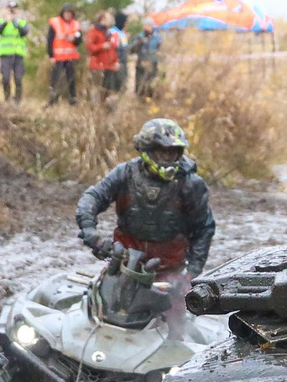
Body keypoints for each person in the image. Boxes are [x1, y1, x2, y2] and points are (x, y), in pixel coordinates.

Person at [75, 118, 215, 276]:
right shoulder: (125, 174)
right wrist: (91, 233)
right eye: (163, 152)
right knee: (100, 299)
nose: (169, 158)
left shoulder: (191, 184)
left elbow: (204, 228)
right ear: (148, 150)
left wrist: (193, 273)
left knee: (182, 301)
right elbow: (93, 197)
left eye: (173, 153)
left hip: (170, 273)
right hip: (123, 266)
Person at [0, 2, 31, 102]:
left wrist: (15, 23)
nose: (12, 11)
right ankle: (7, 98)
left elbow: (24, 32)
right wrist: (6, 22)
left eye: (14, 8)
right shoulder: (2, 21)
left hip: (18, 54)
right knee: (5, 78)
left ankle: (17, 101)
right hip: (5, 54)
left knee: (18, 79)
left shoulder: (22, 22)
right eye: (10, 8)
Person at [84, 9, 124, 100]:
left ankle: (105, 111)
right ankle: (95, 110)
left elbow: (112, 49)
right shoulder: (93, 32)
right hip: (97, 66)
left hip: (108, 66)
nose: (110, 20)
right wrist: (101, 46)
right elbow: (89, 47)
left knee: (108, 91)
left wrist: (116, 61)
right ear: (102, 19)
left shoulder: (108, 33)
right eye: (109, 18)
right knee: (97, 90)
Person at [47, 5, 82, 105]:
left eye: (70, 13)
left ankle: (73, 99)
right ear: (62, 13)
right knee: (56, 79)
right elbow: (50, 40)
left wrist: (74, 39)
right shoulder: (55, 23)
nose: (68, 15)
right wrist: (51, 55)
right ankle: (53, 100)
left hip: (70, 57)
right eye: (66, 13)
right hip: (58, 57)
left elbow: (79, 40)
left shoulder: (76, 25)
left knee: (71, 80)